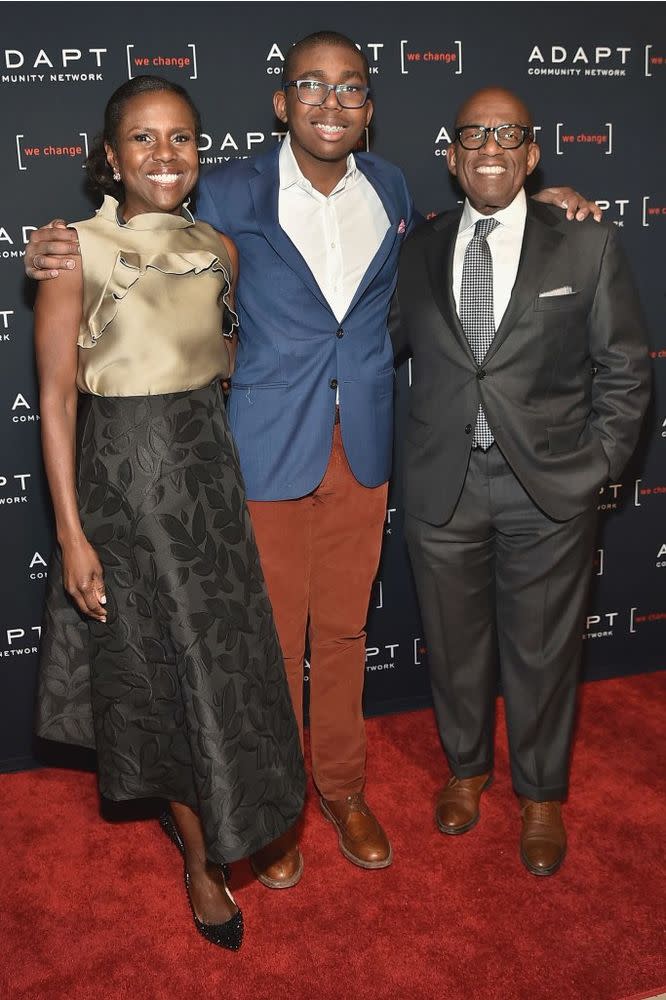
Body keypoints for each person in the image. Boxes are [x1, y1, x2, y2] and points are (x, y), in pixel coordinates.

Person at [26, 32, 601, 888]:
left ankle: (342, 789)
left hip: (363, 447)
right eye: (312, 86)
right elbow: (141, 244)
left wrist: (550, 203)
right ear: (280, 102)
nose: (331, 103)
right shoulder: (221, 189)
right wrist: (54, 247)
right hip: (257, 450)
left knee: (341, 634)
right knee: (262, 644)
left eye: (351, 89)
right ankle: (275, 804)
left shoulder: (396, 188)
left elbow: (455, 248)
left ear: (369, 110)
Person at [33, 75, 305, 949]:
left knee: (219, 675)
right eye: (142, 139)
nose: (164, 155)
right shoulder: (73, 251)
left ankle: (222, 820)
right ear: (108, 156)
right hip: (126, 496)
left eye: (181, 138)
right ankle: (200, 860)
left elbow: (223, 358)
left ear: (200, 151)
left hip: (209, 493)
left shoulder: (219, 247)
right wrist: (73, 536)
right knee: (163, 682)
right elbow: (57, 402)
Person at [391, 87, 650, 876]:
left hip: (549, 491)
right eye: (474, 134)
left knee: (542, 653)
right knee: (455, 647)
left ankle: (541, 795)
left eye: (509, 134)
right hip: (444, 488)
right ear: (453, 156)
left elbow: (627, 372)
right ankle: (467, 771)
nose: (491, 146)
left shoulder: (585, 243)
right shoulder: (418, 249)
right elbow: (369, 348)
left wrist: (596, 468)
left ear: (532, 155)